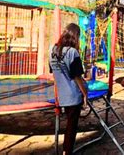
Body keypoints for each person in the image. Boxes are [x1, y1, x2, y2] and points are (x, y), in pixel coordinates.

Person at [49, 23, 88, 155]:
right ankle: (67, 151)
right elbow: (77, 77)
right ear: (75, 36)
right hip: (73, 95)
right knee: (71, 127)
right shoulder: (73, 52)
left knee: (66, 125)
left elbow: (53, 72)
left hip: (61, 94)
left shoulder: (52, 50)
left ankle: (66, 150)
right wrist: (85, 95)